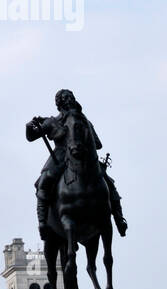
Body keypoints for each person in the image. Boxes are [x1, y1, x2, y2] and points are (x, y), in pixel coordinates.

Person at [26, 88, 127, 239]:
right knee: (44, 181)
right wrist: (29, 126)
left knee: (108, 181)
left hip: (83, 157)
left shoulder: (84, 120)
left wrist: (84, 139)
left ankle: (119, 218)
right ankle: (43, 224)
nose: (69, 100)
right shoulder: (52, 121)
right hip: (60, 156)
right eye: (65, 98)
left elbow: (98, 144)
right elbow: (31, 137)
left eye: (70, 97)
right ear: (59, 103)